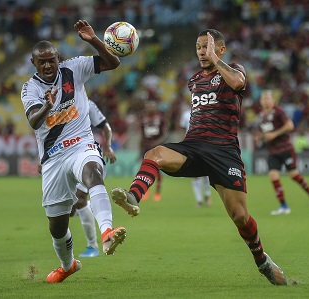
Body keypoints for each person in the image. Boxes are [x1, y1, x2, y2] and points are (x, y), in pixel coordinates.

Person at [111, 29, 287, 285]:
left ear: (220, 49)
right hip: (194, 145)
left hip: (224, 151)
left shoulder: (234, 70)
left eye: (207, 47)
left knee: (240, 216)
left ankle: (262, 261)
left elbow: (238, 84)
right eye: (198, 47)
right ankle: (133, 197)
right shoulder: (194, 80)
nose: (202, 52)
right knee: (154, 154)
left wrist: (216, 60)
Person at [20, 20, 126, 283]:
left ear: (59, 59)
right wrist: (47, 106)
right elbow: (33, 120)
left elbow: (113, 63)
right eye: (42, 62)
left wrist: (92, 40)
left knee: (93, 173)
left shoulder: (75, 68)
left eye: (52, 60)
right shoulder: (30, 88)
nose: (48, 66)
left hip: (81, 144)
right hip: (53, 157)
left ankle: (107, 233)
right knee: (57, 226)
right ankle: (67, 266)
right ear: (34, 63)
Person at [256, 90, 309, 215]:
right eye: (263, 98)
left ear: (273, 100)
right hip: (273, 151)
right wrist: (261, 137)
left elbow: (290, 126)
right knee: (273, 176)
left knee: (294, 175)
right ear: (260, 101)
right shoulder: (261, 116)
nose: (265, 100)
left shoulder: (278, 112)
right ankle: (284, 206)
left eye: (268, 98)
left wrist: (274, 134)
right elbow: (264, 134)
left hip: (285, 149)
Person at [70, 99, 117, 258]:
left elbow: (105, 126)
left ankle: (93, 245)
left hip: (87, 154)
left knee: (80, 199)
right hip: (64, 157)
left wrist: (108, 146)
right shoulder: (54, 102)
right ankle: (93, 207)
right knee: (69, 209)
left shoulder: (87, 104)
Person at [179, 107, 211, 207]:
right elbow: (183, 129)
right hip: (190, 145)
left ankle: (207, 195)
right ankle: (199, 200)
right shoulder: (185, 114)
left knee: (206, 172)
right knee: (195, 175)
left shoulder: (205, 112)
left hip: (203, 144)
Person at [139, 100, 167, 201]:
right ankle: (146, 191)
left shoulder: (161, 119)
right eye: (149, 107)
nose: (150, 109)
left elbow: (164, 134)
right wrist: (140, 150)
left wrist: (156, 143)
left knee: (158, 170)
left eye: (152, 107)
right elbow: (142, 136)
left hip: (157, 148)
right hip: (147, 148)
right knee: (145, 170)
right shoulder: (143, 120)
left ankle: (157, 192)